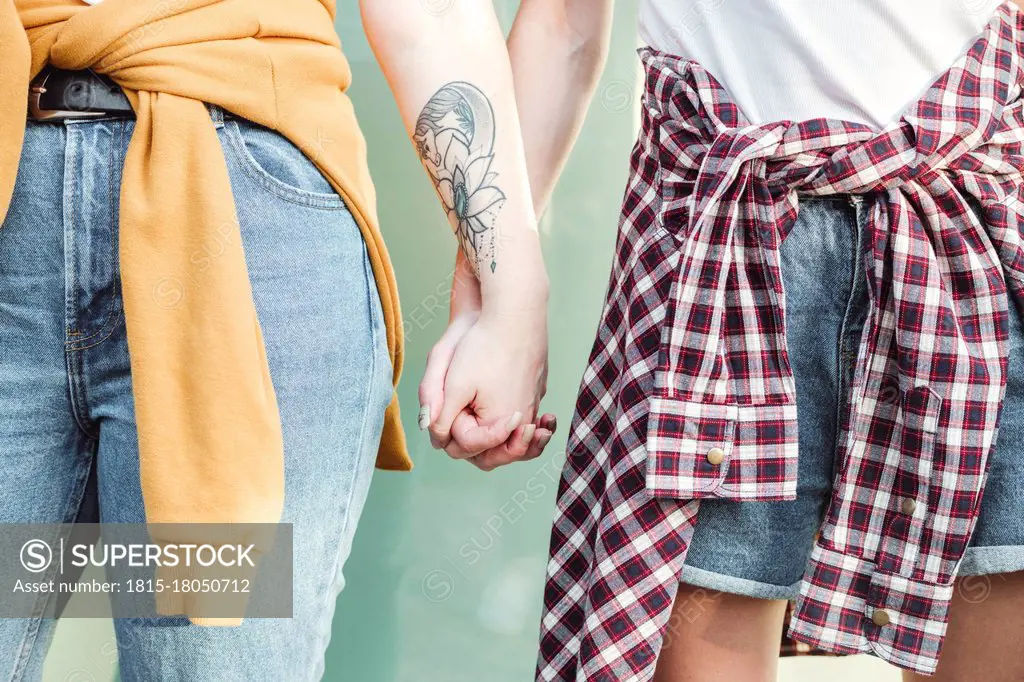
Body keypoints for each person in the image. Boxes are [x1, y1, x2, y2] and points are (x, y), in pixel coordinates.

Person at [423, 1, 1024, 681]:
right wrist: (497, 302)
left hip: (974, 232)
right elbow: (564, 22)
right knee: (700, 628)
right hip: (722, 253)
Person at [0, 0, 564, 679]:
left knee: (212, 659)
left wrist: (514, 297)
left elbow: (433, 12)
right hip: (14, 186)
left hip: (248, 241)